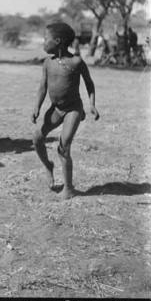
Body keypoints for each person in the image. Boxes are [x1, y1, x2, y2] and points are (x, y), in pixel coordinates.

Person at [31, 22, 100, 199]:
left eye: (46, 39)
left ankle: (68, 189)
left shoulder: (76, 62)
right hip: (56, 109)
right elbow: (42, 88)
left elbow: (89, 84)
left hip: (73, 109)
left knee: (64, 146)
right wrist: (37, 107)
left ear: (58, 41)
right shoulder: (48, 63)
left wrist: (92, 105)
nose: (43, 42)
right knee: (37, 138)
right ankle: (48, 165)